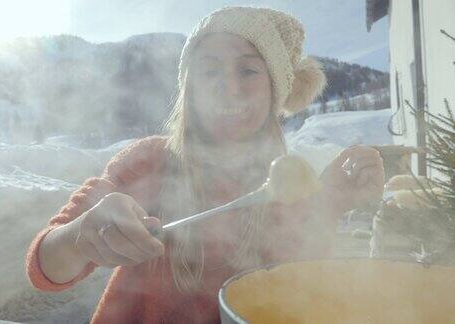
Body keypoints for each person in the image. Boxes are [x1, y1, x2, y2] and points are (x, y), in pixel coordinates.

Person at [26, 6, 384, 323]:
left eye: (247, 71)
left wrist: (329, 205)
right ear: (189, 90)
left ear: (275, 90)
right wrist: (81, 237)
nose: (228, 87)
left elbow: (298, 289)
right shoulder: (149, 162)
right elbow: (45, 268)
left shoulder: (288, 187)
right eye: (209, 71)